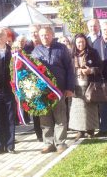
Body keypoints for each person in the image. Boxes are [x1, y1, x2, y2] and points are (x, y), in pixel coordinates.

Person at [32, 26, 74, 154]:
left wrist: (69, 87)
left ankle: (60, 143)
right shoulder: (36, 51)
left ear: (52, 35)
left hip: (59, 90)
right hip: (42, 92)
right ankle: (48, 143)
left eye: (47, 34)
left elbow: (69, 69)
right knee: (45, 118)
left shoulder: (61, 49)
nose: (45, 37)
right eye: (42, 35)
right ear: (39, 36)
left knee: (60, 117)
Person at [69, 33, 101, 140]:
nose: (80, 44)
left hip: (90, 85)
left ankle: (91, 130)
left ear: (86, 42)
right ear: (75, 43)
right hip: (76, 85)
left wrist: (90, 70)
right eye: (78, 42)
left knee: (90, 108)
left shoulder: (93, 53)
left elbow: (100, 68)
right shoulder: (71, 54)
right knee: (78, 109)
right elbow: (67, 69)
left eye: (83, 42)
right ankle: (80, 131)